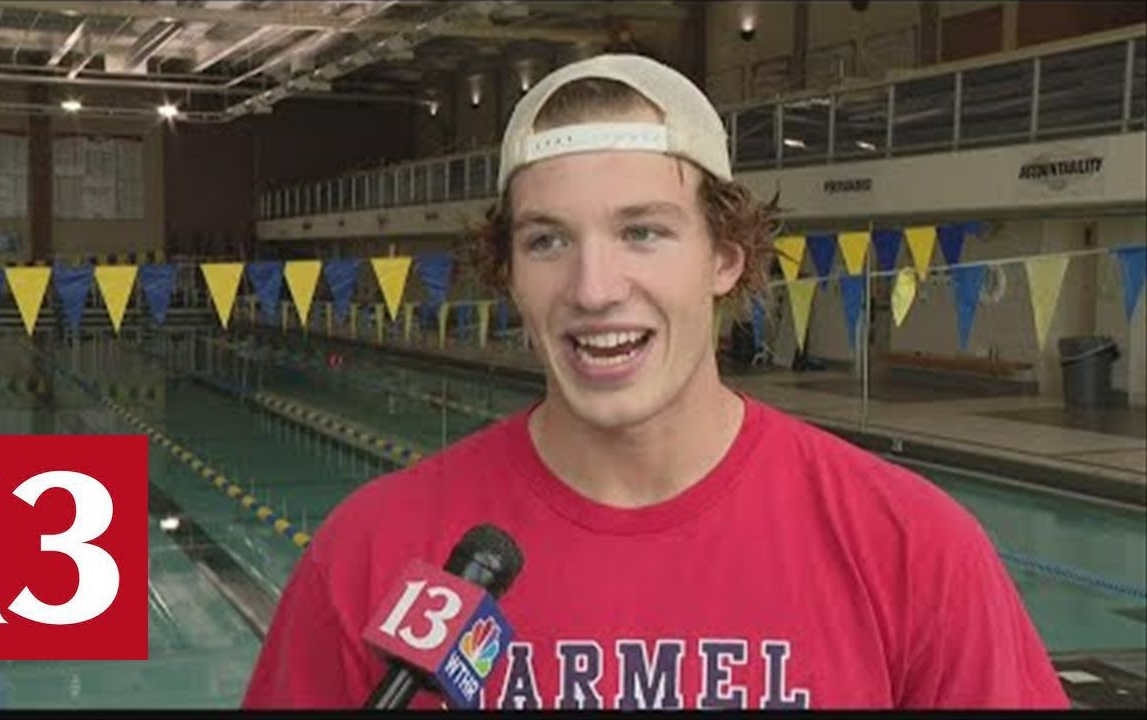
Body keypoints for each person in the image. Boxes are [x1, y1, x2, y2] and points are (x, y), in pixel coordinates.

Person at [242, 54, 1068, 710]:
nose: (594, 287)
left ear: (724, 258)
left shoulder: (907, 548)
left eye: (643, 231)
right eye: (546, 241)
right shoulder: (373, 554)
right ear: (508, 274)